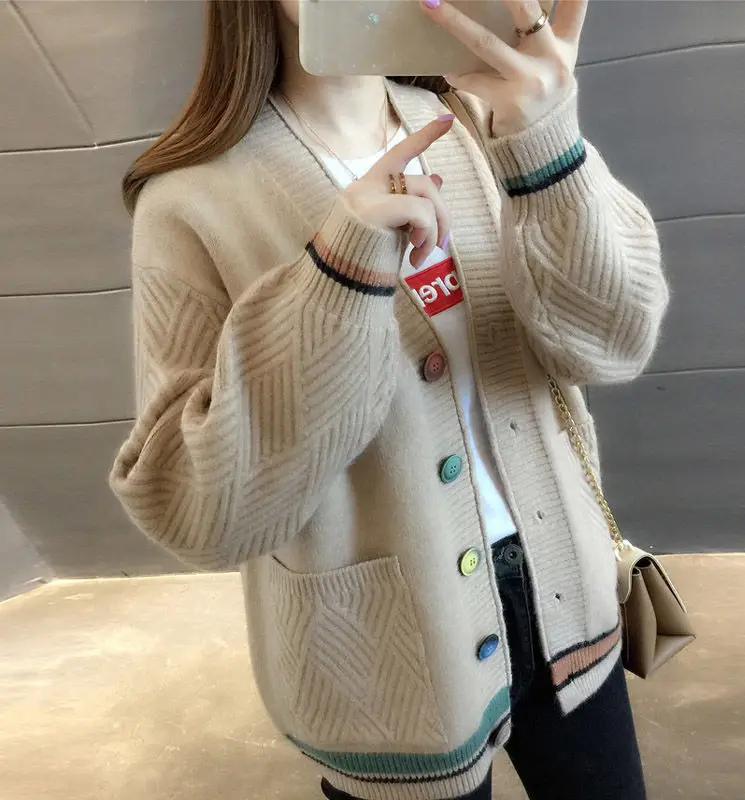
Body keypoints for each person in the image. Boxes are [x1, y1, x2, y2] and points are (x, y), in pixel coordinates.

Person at [110, 1, 668, 798]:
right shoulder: (190, 200)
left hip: (567, 598)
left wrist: (547, 144)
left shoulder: (485, 120)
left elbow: (614, 342)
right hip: (385, 658)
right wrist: (339, 274)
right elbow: (194, 508)